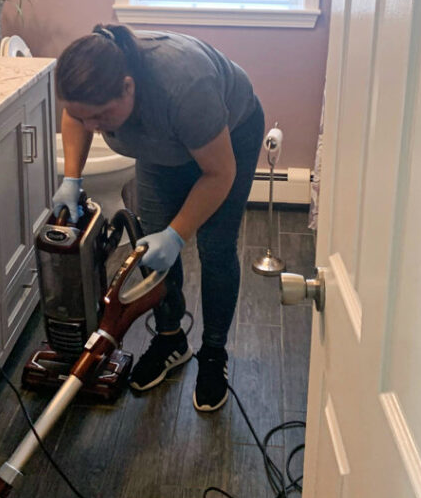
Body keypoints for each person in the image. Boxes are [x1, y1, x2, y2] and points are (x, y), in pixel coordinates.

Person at [53, 24, 264, 412]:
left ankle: (213, 352)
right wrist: (72, 177)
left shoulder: (185, 86)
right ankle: (171, 339)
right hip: (160, 143)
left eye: (101, 116)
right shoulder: (94, 87)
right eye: (86, 117)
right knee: (151, 243)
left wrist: (179, 234)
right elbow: (76, 117)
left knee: (215, 247)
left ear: (129, 88)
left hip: (229, 137)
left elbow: (219, 174)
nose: (92, 126)